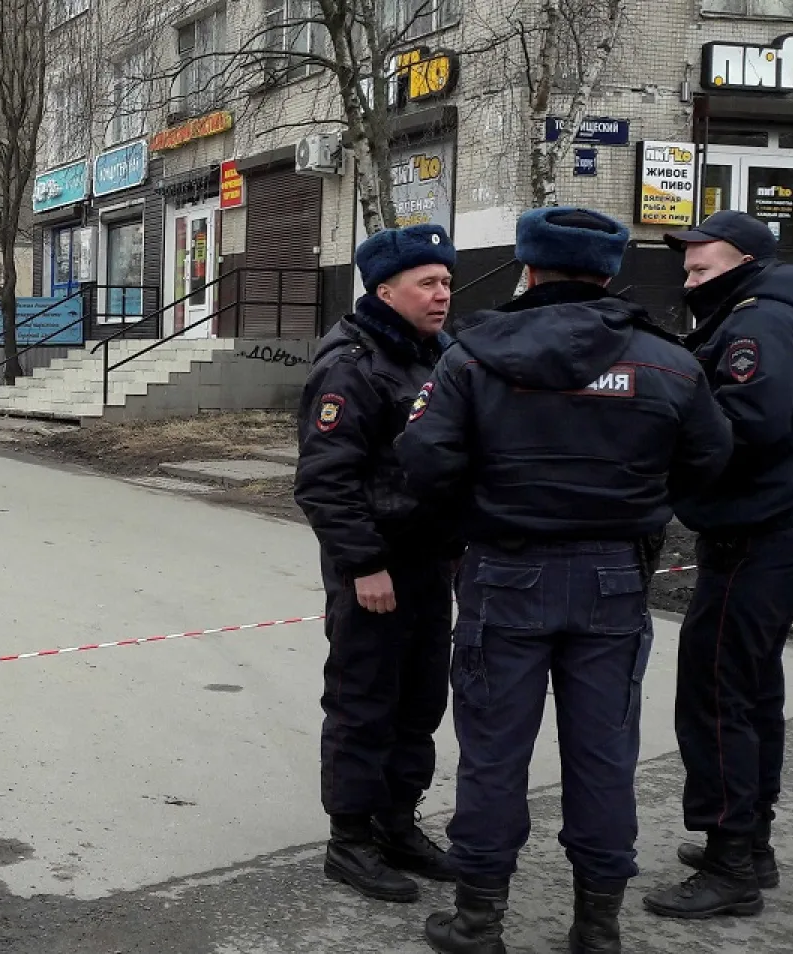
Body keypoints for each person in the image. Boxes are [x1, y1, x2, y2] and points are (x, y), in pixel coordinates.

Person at [396, 207, 734, 954]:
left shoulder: (472, 357)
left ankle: (479, 921)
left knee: (492, 754)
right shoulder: (669, 361)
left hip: (505, 573)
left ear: (529, 268)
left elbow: (422, 461)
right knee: (606, 756)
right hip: (615, 577)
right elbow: (710, 459)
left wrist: (479, 507)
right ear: (609, 273)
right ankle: (597, 926)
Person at [642, 210, 793, 920]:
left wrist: (659, 436)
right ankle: (750, 840)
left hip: (756, 535)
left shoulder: (757, 325)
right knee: (752, 689)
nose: (690, 280)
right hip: (779, 529)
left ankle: (731, 864)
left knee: (717, 692)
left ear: (747, 263)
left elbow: (743, 425)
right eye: (688, 269)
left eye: (703, 269)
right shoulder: (788, 318)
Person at [293, 223, 465, 904]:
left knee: (420, 700)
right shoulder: (352, 364)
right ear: (385, 289)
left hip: (429, 563)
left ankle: (397, 823)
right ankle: (352, 841)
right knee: (365, 702)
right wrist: (364, 564)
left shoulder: (437, 355)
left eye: (447, 281)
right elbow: (325, 480)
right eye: (428, 282)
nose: (442, 293)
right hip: (375, 568)